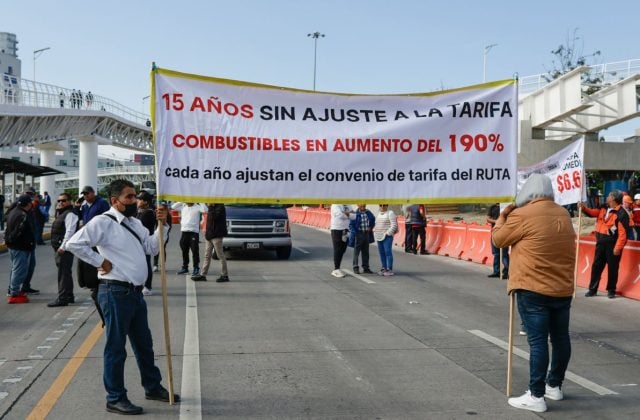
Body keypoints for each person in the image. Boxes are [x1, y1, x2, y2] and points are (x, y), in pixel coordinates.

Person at [65, 179, 179, 414]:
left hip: (135, 294)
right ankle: (115, 397)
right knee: (116, 348)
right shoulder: (102, 222)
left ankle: (152, 386)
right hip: (115, 292)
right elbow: (74, 243)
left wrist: (162, 224)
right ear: (115, 201)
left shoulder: (134, 223)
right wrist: (100, 261)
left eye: (135, 196)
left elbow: (152, 248)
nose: (134, 201)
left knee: (144, 345)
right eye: (129, 197)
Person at [492, 174, 576, 413]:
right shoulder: (564, 214)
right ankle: (554, 385)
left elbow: (498, 240)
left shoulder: (522, 214)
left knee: (537, 341)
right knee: (560, 338)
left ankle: (536, 395)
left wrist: (502, 216)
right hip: (562, 288)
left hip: (532, 287)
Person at [581, 190, 629, 298]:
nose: (607, 197)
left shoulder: (622, 214)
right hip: (601, 243)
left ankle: (611, 290)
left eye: (609, 195)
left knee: (612, 268)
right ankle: (592, 289)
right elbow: (593, 213)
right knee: (596, 266)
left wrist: (618, 248)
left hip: (612, 245)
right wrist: (583, 208)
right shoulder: (604, 207)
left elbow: (623, 235)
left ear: (613, 199)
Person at [4, 194, 37, 303]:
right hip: (20, 247)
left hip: (14, 246)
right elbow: (18, 231)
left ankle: (13, 290)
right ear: (28, 204)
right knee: (19, 270)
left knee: (15, 269)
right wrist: (13, 240)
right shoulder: (22, 215)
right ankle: (14, 293)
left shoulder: (13, 212)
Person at [48, 193, 79, 307]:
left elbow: (70, 232)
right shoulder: (63, 213)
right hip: (60, 248)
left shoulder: (70, 214)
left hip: (63, 249)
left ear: (70, 201)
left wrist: (63, 247)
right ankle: (69, 296)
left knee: (63, 274)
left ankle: (63, 298)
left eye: (64, 201)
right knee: (65, 273)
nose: (61, 203)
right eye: (59, 201)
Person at [196, 203, 229, 282]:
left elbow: (214, 217)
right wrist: (207, 233)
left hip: (217, 235)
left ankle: (224, 275)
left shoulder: (220, 206)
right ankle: (203, 275)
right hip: (210, 235)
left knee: (220, 255)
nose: (208, 202)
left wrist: (210, 207)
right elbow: (209, 221)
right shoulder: (211, 207)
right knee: (207, 255)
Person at [171, 202, 206, 275]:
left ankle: (196, 268)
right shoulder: (183, 206)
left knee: (195, 251)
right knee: (184, 251)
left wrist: (200, 201)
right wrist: (182, 200)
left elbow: (205, 210)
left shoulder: (197, 207)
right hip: (184, 232)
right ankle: (185, 268)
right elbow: (173, 206)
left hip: (193, 232)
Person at [136, 191, 156, 295]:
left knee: (146, 265)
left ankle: (148, 286)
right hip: (139, 242)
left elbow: (139, 226)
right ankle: (141, 284)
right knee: (140, 264)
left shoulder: (148, 212)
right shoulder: (140, 211)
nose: (137, 201)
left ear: (146, 202)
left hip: (145, 242)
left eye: (139, 199)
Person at [348, 204, 375, 274]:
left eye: (364, 205)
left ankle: (366, 268)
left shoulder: (368, 212)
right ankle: (355, 267)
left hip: (366, 234)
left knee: (366, 252)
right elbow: (351, 225)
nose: (363, 205)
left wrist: (370, 227)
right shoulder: (355, 213)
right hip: (358, 234)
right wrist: (355, 232)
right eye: (361, 204)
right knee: (356, 252)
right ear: (358, 205)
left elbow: (373, 219)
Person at [373, 204, 398, 276]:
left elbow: (394, 225)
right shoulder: (378, 214)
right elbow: (376, 224)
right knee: (381, 253)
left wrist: (388, 233)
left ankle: (389, 269)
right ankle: (384, 268)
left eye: (384, 205)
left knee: (388, 252)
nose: (382, 207)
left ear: (387, 206)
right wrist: (374, 230)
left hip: (387, 236)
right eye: (381, 205)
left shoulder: (390, 213)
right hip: (379, 236)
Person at [487, 203, 509, 279]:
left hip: (504, 233)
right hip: (494, 233)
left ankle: (506, 271)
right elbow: (488, 218)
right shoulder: (493, 206)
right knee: (496, 254)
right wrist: (496, 221)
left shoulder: (507, 206)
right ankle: (496, 271)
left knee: (504, 254)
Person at [330, 204, 352, 278]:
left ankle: (338, 268)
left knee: (343, 249)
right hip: (337, 229)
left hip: (346, 229)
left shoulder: (348, 205)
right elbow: (340, 215)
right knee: (338, 249)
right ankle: (336, 269)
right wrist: (348, 214)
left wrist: (347, 214)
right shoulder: (335, 205)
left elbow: (354, 215)